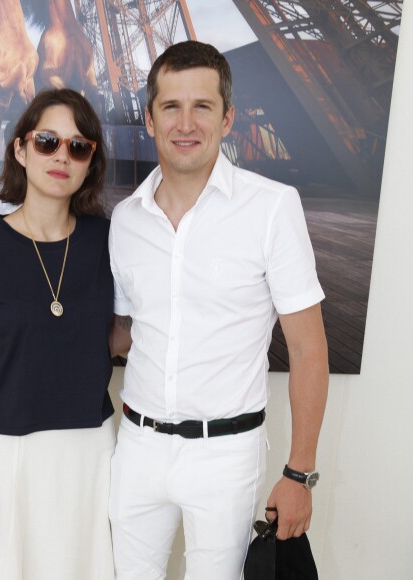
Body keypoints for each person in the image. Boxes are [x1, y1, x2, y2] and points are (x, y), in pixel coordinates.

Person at [107, 40, 329, 580]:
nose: (186, 123)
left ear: (227, 117)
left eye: (202, 106)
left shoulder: (273, 207)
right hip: (136, 445)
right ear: (150, 118)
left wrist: (299, 475)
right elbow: (124, 336)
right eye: (171, 107)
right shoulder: (126, 220)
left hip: (226, 454)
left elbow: (307, 347)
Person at [0, 88, 116, 580]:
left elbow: (121, 336)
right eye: (47, 141)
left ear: (90, 161)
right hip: (5, 455)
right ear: (20, 149)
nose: (62, 155)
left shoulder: (109, 240)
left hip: (90, 453)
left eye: (79, 146)